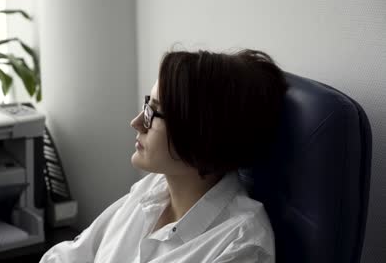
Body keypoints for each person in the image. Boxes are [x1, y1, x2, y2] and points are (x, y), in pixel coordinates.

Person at [39, 49, 289, 263]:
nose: (136, 122)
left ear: (200, 131)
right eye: (146, 105)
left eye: (154, 112)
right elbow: (72, 256)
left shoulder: (240, 245)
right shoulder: (152, 190)